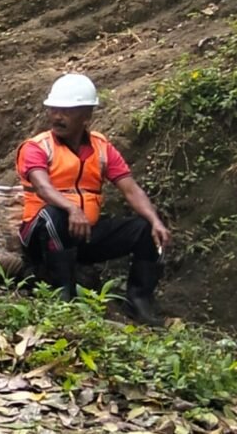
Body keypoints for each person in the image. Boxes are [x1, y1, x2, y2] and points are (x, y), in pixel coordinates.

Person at [16, 73, 172, 325]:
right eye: (54, 109)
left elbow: (130, 189)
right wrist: (71, 208)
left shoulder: (101, 148)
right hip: (40, 235)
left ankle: (140, 300)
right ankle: (62, 294)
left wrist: (155, 221)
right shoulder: (37, 147)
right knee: (55, 215)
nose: (58, 116)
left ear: (86, 115)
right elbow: (43, 188)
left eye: (67, 111)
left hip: (83, 233)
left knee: (146, 227)